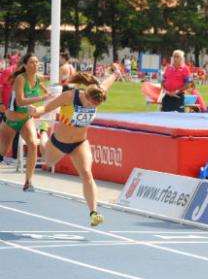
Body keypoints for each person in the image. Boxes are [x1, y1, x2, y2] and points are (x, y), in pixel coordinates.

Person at [29, 64, 121, 226]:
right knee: (47, 160)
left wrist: (116, 74)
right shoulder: (69, 96)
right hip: (59, 143)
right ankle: (43, 133)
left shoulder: (98, 92)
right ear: (85, 95)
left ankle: (94, 212)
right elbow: (47, 108)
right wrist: (36, 111)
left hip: (79, 143)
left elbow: (107, 83)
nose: (92, 108)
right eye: (90, 105)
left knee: (86, 173)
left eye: (95, 107)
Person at [0, 54, 51, 190]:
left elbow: (49, 79)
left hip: (25, 118)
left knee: (33, 144)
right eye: (32, 62)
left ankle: (28, 182)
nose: (35, 65)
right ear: (25, 65)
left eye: (37, 62)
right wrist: (42, 97)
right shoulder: (20, 79)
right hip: (11, 120)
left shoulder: (37, 79)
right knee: (2, 152)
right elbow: (20, 101)